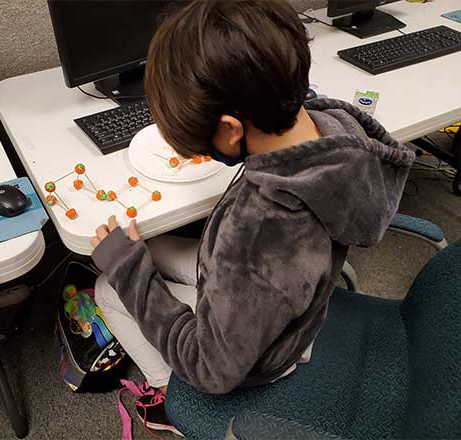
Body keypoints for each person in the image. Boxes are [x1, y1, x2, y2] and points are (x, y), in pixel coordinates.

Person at [90, 0, 415, 435]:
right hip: (285, 306)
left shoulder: (261, 233)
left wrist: (129, 269)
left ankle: (169, 396)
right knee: (149, 247)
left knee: (107, 285)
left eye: (200, 142)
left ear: (229, 130)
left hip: (260, 356)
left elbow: (211, 367)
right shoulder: (329, 127)